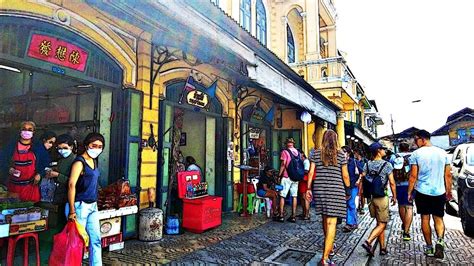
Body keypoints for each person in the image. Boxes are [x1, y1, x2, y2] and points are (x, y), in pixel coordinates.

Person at [306, 130, 350, 265]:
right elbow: (345, 176)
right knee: (332, 223)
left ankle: (329, 246)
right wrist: (348, 188)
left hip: (320, 189)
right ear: (336, 139)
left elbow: (311, 172)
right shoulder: (341, 154)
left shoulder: (316, 153)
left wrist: (308, 188)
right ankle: (325, 258)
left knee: (325, 218)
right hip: (335, 190)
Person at [408, 129, 452, 259]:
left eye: (416, 140)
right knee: (438, 218)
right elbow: (448, 175)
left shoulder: (415, 154)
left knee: (425, 218)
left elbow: (413, 176)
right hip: (439, 192)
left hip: (422, 191)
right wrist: (448, 191)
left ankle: (429, 247)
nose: (415, 142)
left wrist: (409, 192)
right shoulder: (443, 153)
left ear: (422, 139)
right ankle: (440, 240)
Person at [67, 132, 105, 266]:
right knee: (76, 242)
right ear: (87, 145)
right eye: (93, 145)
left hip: (92, 205)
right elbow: (71, 185)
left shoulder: (93, 161)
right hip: (79, 206)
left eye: (100, 146)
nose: (97, 148)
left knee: (96, 240)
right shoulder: (79, 162)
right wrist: (72, 210)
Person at [361, 142, 397, 256]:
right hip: (381, 197)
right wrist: (394, 196)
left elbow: (362, 179)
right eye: (382, 149)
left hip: (371, 198)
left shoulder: (367, 165)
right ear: (378, 151)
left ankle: (382, 248)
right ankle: (368, 241)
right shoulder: (387, 165)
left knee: (379, 222)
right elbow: (392, 182)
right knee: (383, 224)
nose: (384, 151)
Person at [0, 121, 41, 202]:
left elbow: (45, 162)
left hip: (30, 187)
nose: (27, 132)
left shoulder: (37, 146)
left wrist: (40, 174)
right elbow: (2, 160)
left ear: (34, 132)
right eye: (24, 129)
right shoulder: (11, 146)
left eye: (30, 129)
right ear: (20, 131)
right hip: (14, 187)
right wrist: (9, 169)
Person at [391, 142, 413, 241]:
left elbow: (390, 171)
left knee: (401, 206)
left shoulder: (393, 157)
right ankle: (407, 232)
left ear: (399, 148)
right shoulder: (412, 156)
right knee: (409, 207)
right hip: (410, 185)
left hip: (398, 185)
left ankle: (404, 224)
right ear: (408, 148)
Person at [276, 137, 301, 223]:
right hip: (295, 177)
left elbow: (283, 164)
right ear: (293, 143)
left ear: (286, 143)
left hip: (287, 176)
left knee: (282, 195)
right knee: (294, 196)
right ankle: (293, 216)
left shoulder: (285, 152)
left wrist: (279, 175)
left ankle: (281, 215)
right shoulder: (298, 152)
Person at [342, 146, 363, 232]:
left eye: (343, 151)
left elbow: (363, 172)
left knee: (351, 204)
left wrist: (358, 180)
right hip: (343, 186)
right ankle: (353, 222)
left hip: (353, 186)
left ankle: (350, 223)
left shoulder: (354, 162)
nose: (342, 153)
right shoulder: (340, 162)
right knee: (347, 204)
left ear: (348, 153)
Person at [297, 151, 311, 220]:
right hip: (303, 180)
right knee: (303, 197)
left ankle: (307, 214)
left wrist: (298, 171)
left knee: (305, 197)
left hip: (305, 181)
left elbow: (306, 171)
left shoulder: (306, 161)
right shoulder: (303, 161)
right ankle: (304, 213)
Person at [356, 149, 368, 214]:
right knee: (359, 194)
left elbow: (363, 171)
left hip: (362, 180)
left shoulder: (363, 162)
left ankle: (361, 207)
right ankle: (359, 207)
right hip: (359, 180)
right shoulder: (357, 161)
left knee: (361, 194)